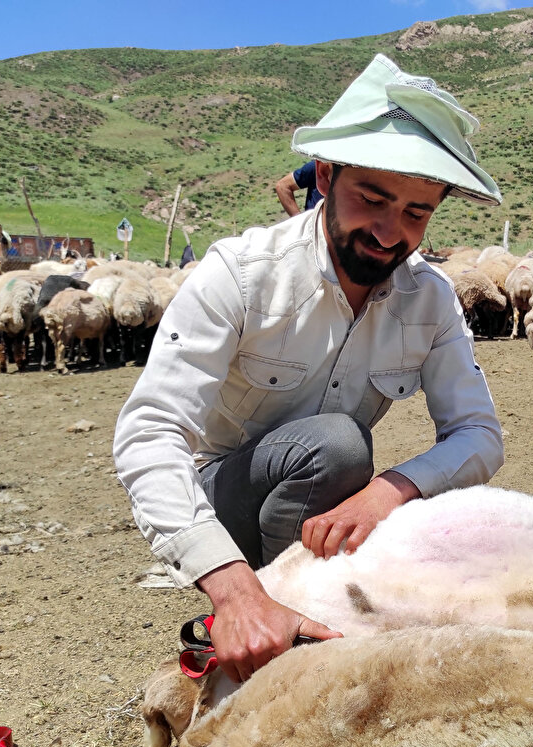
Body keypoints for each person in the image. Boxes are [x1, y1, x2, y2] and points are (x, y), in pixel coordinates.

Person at [113, 54, 505, 683]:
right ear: (324, 176)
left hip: (330, 510)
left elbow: (479, 433)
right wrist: (234, 589)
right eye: (371, 199)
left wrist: (391, 491)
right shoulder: (241, 274)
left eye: (416, 213)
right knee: (336, 445)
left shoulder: (429, 297)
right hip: (225, 504)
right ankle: (272, 614)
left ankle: (307, 613)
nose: (388, 232)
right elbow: (150, 432)